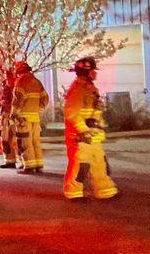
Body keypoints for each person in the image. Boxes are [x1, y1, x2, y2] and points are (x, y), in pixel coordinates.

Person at [62, 57, 118, 201]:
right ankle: (73, 192)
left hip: (91, 133)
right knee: (81, 164)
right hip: (81, 135)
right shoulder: (77, 89)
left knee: (99, 161)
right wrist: (83, 130)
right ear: (86, 72)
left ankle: (105, 190)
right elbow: (71, 112)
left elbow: (96, 110)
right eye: (93, 71)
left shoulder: (89, 88)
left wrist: (98, 127)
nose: (96, 73)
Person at [11, 60, 49, 173]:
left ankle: (29, 165)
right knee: (35, 141)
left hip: (23, 118)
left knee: (25, 142)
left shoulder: (20, 81)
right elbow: (45, 99)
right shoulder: (36, 82)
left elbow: (17, 100)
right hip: (35, 118)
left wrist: (14, 114)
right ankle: (38, 164)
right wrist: (38, 110)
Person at [0, 68, 18, 169]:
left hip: (16, 117)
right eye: (8, 79)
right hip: (5, 118)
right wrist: (0, 103)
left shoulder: (18, 89)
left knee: (21, 139)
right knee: (5, 140)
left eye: (11, 78)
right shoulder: (3, 91)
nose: (9, 81)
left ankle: (24, 161)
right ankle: (9, 161)